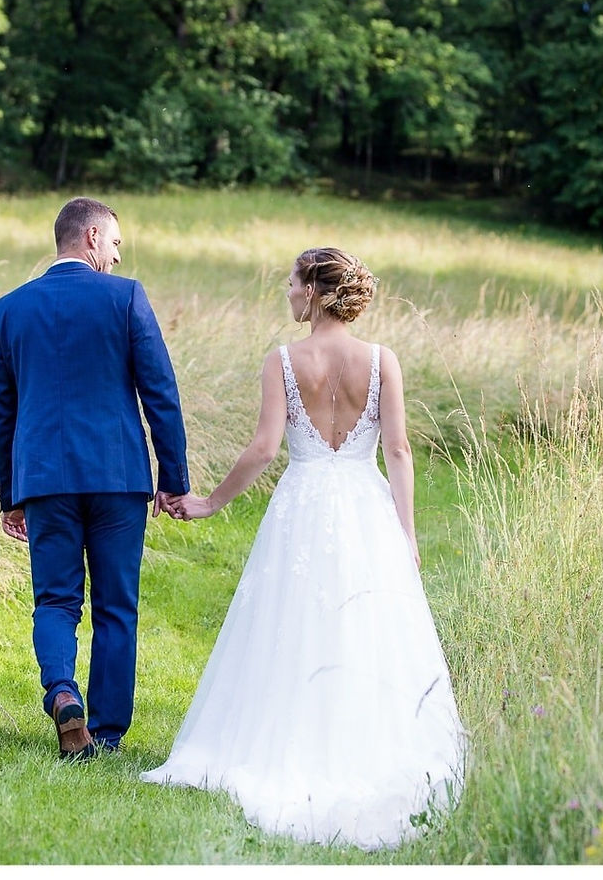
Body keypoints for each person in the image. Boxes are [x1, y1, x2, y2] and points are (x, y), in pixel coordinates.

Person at [141, 247, 466, 850]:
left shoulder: (285, 361)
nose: (287, 292)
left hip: (304, 504)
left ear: (314, 292)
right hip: (367, 508)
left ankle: (284, 741)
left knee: (290, 622)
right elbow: (397, 451)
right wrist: (407, 534)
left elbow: (264, 449)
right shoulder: (382, 360)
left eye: (292, 283)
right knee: (365, 625)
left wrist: (210, 502)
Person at [0, 197, 190, 761]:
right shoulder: (125, 298)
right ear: (93, 237)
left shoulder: (10, 309)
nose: (119, 257)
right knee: (116, 606)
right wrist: (172, 478)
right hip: (118, 476)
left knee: (54, 600)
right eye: (116, 243)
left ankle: (62, 692)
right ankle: (105, 733)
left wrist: (12, 493)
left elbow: (0, 410)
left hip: (44, 479)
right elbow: (161, 394)